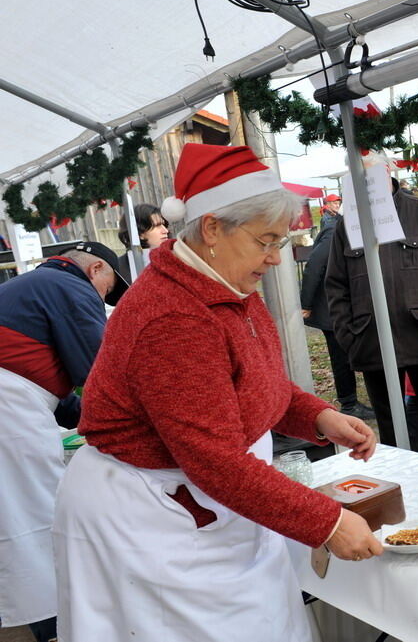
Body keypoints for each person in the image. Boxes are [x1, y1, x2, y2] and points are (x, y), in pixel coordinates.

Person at [53, 143, 382, 642]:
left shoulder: (227, 286)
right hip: (148, 517)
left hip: (197, 499)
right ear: (211, 229)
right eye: (266, 241)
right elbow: (213, 459)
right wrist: (327, 521)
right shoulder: (173, 318)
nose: (276, 258)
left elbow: (257, 380)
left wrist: (317, 416)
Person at [0, 241, 127, 641]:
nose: (103, 299)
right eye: (108, 288)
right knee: (34, 519)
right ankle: (54, 623)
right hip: (9, 408)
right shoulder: (67, 286)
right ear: (94, 271)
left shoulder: (33, 286)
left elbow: (63, 396)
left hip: (19, 399)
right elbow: (102, 372)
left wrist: (85, 418)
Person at [326, 175, 418, 457]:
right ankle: (405, 493)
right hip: (372, 343)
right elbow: (336, 284)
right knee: (391, 437)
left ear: (389, 169)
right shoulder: (349, 223)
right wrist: (350, 337)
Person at [300, 195, 375, 419]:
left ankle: (351, 401)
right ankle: (349, 404)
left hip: (337, 306)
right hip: (329, 308)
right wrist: (306, 304)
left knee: (346, 354)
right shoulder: (333, 232)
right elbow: (313, 267)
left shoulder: (344, 230)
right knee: (341, 357)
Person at [117, 203, 170, 283]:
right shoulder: (119, 269)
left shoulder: (174, 258)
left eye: (163, 225)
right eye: (157, 226)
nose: (165, 231)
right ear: (139, 233)